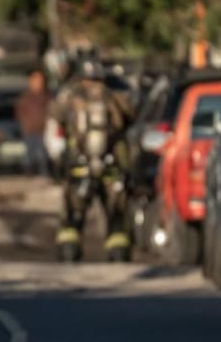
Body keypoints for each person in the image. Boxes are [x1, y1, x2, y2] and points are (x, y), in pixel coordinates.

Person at [50, 52, 135, 262]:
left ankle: (69, 249)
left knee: (73, 211)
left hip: (78, 165)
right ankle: (118, 251)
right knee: (115, 211)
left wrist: (60, 159)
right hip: (111, 166)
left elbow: (55, 121)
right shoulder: (113, 96)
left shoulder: (69, 97)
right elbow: (130, 117)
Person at [14, 68, 51, 176]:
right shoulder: (25, 98)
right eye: (35, 80)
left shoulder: (47, 97)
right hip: (29, 131)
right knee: (29, 157)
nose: (38, 83)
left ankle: (45, 176)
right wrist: (25, 125)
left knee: (42, 155)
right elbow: (19, 112)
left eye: (40, 80)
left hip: (44, 131)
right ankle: (28, 175)